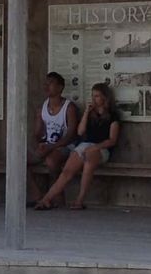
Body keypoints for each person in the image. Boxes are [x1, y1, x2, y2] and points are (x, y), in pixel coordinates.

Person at [34, 82, 121, 210]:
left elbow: (112, 140)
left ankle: (79, 200)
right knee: (67, 171)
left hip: (101, 148)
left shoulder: (113, 116)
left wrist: (95, 148)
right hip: (84, 145)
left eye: (97, 96)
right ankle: (46, 199)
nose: (94, 99)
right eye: (93, 96)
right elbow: (80, 132)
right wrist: (86, 113)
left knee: (89, 161)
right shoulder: (91, 114)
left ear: (105, 97)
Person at [30, 72, 78, 196]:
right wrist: (40, 138)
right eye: (45, 83)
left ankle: (55, 196)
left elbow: (71, 136)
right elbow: (38, 136)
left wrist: (51, 147)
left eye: (51, 83)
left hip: (65, 146)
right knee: (19, 161)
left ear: (60, 87)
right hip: (47, 145)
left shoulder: (69, 107)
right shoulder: (43, 107)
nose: (47, 86)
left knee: (51, 161)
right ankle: (38, 197)